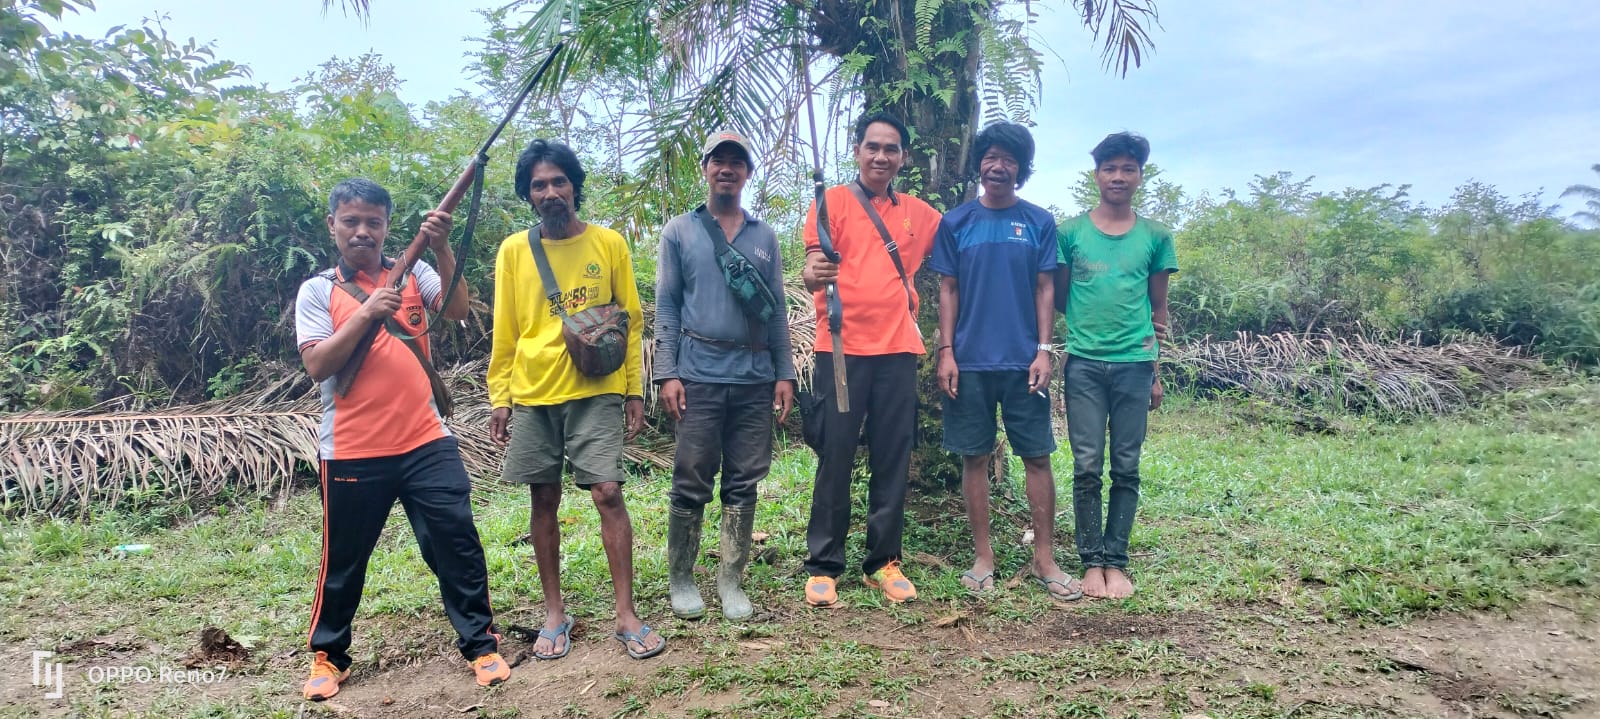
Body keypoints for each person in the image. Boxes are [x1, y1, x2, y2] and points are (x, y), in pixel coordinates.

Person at [294, 178, 508, 700]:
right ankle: (329, 656)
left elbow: (457, 309)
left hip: (426, 440)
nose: (362, 232)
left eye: (374, 222)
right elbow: (318, 363)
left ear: (387, 226)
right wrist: (367, 312)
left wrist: (440, 244)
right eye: (351, 221)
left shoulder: (414, 273)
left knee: (455, 541)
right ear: (333, 226)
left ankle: (482, 644)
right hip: (351, 449)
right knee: (345, 558)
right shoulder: (318, 290)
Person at [487, 139, 664, 659]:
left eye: (559, 181)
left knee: (608, 492)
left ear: (574, 186)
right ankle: (554, 613)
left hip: (596, 389)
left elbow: (630, 323)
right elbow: (506, 330)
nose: (550, 192)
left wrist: (634, 389)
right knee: (543, 497)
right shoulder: (514, 251)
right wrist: (501, 396)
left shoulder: (608, 244)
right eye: (539, 184)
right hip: (535, 392)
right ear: (529, 194)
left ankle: (627, 615)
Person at [929, 122, 1080, 601]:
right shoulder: (955, 223)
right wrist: (947, 352)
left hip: (1023, 363)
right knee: (974, 457)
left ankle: (1046, 558)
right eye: (990, 157)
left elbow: (1045, 288)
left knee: (1037, 456)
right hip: (968, 363)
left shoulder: (1038, 221)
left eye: (1009, 159)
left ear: (1021, 168)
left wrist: (1043, 349)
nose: (998, 166)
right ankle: (983, 557)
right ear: (979, 164)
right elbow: (947, 290)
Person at [800, 112, 942, 607]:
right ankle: (824, 564)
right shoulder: (832, 201)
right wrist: (812, 272)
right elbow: (814, 267)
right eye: (872, 147)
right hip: (840, 346)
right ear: (857, 150)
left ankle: (883, 562)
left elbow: (955, 249)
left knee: (892, 456)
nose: (881, 156)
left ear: (903, 157)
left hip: (899, 348)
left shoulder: (920, 215)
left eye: (892, 148)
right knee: (835, 454)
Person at [655, 131, 796, 620]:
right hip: (697, 372)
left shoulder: (764, 236)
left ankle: (730, 580)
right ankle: (682, 577)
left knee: (744, 481)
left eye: (738, 162)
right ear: (706, 168)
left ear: (747, 173)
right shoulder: (680, 231)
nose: (728, 169)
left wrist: (786, 373)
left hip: (755, 375)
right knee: (691, 476)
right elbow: (667, 306)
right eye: (720, 161)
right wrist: (666, 373)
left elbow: (775, 311)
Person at [1055, 132, 1178, 599]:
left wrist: (1156, 372)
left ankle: (1116, 562)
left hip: (1135, 366)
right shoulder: (1070, 233)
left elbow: (1158, 309)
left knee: (1126, 466)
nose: (1118, 177)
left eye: (1128, 168)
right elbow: (1063, 296)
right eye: (1110, 168)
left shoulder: (1156, 237)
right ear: (1097, 175)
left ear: (1140, 176)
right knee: (1087, 465)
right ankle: (1091, 562)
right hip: (1084, 364)